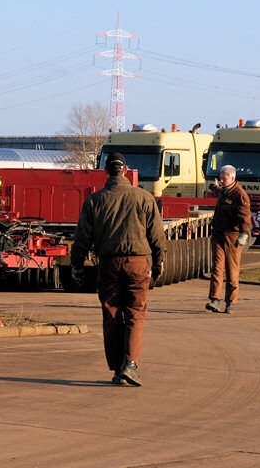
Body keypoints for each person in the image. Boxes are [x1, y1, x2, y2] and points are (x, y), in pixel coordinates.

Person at [70, 152, 166, 386]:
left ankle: (117, 368)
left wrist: (76, 264)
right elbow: (156, 234)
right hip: (138, 263)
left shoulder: (94, 201)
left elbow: (82, 236)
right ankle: (130, 365)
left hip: (109, 263)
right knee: (135, 312)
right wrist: (159, 260)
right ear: (125, 170)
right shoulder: (144, 198)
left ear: (106, 171)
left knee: (112, 314)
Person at [206, 164, 251, 314]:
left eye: (224, 178)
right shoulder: (224, 192)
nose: (221, 179)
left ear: (232, 177)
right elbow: (219, 191)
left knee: (232, 270)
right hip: (218, 234)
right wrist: (214, 187)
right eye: (221, 177)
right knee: (217, 269)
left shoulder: (240, 195)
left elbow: (245, 216)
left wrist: (244, 234)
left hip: (233, 236)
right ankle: (214, 300)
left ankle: (231, 302)